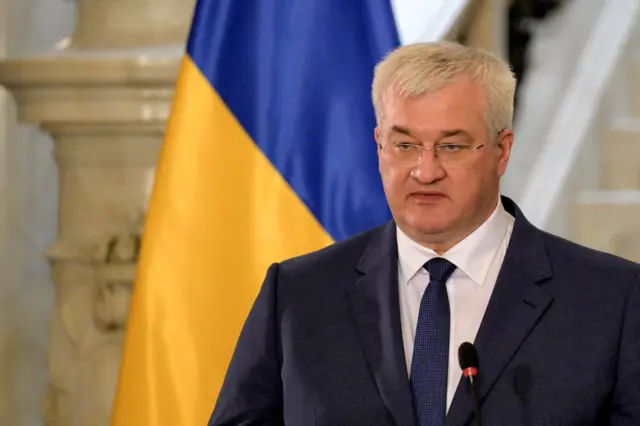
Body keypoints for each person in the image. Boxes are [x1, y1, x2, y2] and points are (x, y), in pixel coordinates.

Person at [208, 41, 640, 426]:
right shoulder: (299, 296)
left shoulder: (611, 299)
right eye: (405, 145)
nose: (425, 171)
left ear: (502, 150)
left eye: (451, 146)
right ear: (379, 146)